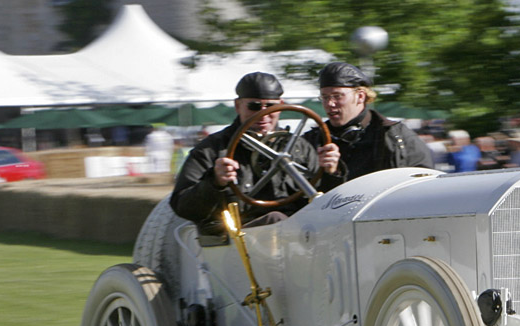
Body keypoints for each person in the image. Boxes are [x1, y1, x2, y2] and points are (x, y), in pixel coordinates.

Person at [170, 72, 330, 235]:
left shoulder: (299, 148)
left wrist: (332, 172)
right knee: (275, 220)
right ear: (238, 106)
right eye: (254, 106)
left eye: (270, 106)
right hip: (236, 237)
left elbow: (324, 198)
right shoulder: (212, 150)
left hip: (296, 233)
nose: (263, 114)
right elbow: (182, 206)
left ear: (281, 105)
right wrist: (215, 182)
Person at [305, 62, 433, 182]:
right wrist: (329, 173)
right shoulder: (310, 142)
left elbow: (424, 184)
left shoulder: (397, 136)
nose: (330, 104)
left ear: (360, 96)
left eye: (337, 96)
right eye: (325, 97)